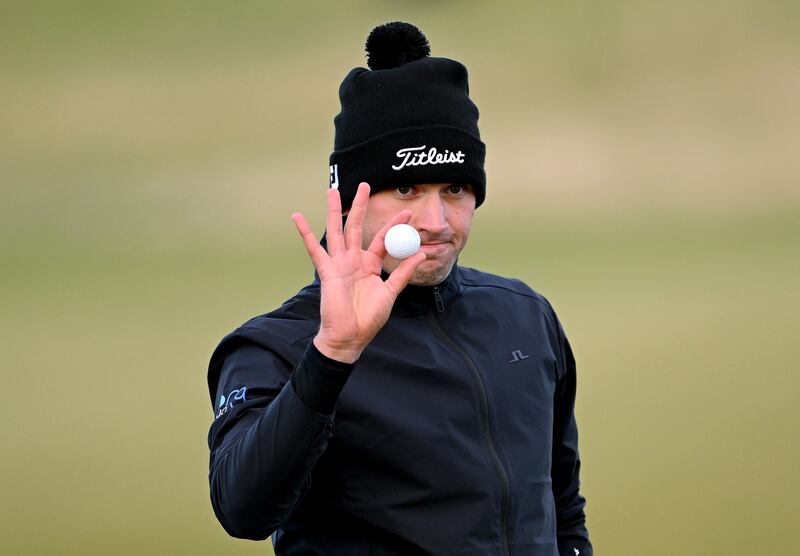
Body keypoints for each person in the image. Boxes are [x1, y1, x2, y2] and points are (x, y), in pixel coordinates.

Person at [207, 22, 592, 556]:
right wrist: (333, 355)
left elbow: (562, 505)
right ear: (347, 200)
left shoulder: (523, 315)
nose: (435, 220)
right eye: (407, 188)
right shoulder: (280, 345)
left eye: (454, 188)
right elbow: (242, 508)